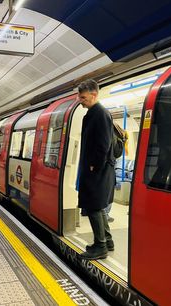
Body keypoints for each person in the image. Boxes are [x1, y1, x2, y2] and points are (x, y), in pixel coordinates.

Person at [77, 79, 115, 260]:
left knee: (94, 206)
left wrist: (94, 165)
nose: (80, 100)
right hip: (96, 169)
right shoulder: (95, 113)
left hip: (97, 170)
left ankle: (100, 246)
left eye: (83, 97)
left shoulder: (99, 114)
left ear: (94, 94)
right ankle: (106, 240)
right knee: (98, 206)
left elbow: (103, 144)